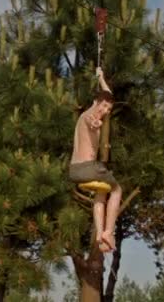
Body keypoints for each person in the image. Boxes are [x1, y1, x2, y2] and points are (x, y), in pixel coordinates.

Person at [68, 67, 122, 253]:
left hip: (74, 170)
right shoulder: (88, 116)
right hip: (87, 168)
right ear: (95, 102)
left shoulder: (94, 109)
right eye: (103, 106)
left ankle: (100, 235)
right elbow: (92, 121)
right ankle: (110, 231)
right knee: (116, 190)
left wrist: (101, 78)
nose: (105, 111)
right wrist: (96, 123)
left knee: (101, 192)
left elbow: (108, 95)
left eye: (109, 108)